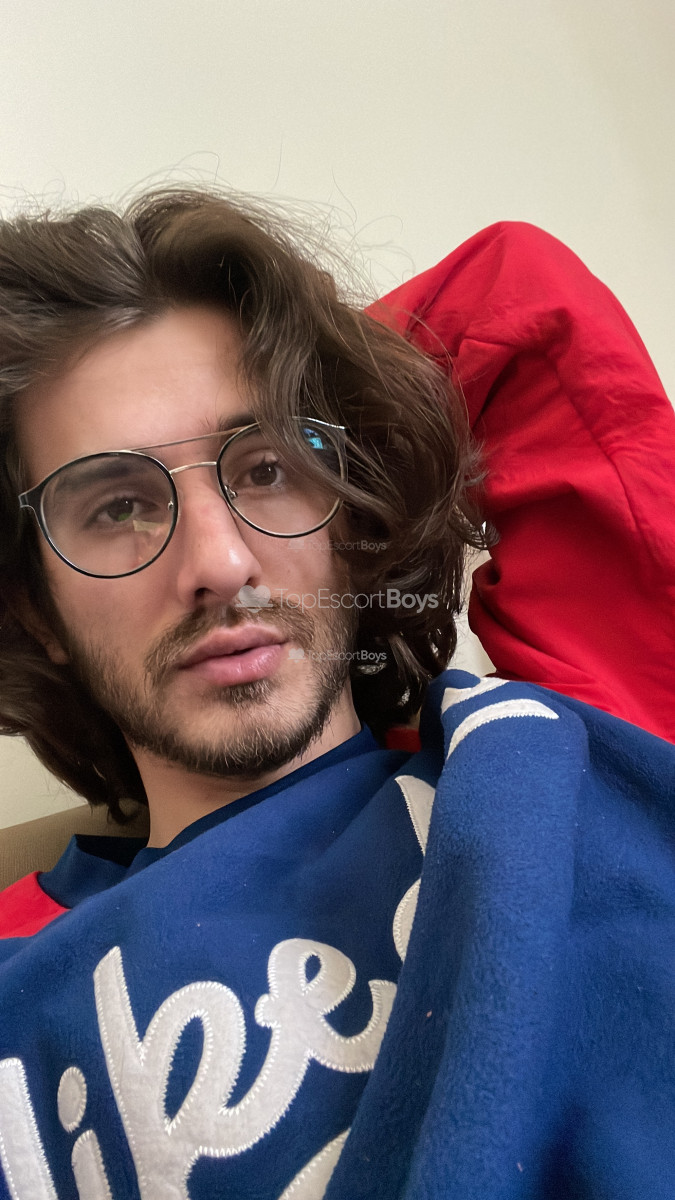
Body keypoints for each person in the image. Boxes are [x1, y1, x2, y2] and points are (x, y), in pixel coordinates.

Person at [0, 189, 672, 1200]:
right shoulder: (16, 961)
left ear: (349, 519)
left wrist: (340, 388)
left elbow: (522, 296)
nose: (221, 565)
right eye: (119, 505)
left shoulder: (564, 741)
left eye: (267, 468)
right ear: (37, 610)